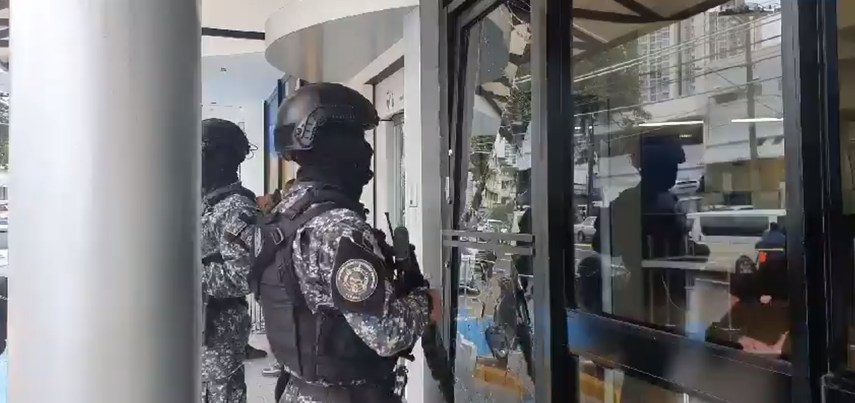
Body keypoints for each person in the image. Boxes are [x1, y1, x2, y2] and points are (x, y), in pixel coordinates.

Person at [251, 82, 441, 403]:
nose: (366, 151)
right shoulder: (339, 228)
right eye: (358, 138)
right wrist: (426, 303)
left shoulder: (281, 215)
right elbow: (387, 334)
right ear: (335, 145)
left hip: (298, 391)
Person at [200, 118, 258, 403]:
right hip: (201, 327)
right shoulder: (208, 203)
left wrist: (180, 275)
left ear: (219, 157)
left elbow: (242, 277)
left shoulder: (236, 208)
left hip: (219, 331)